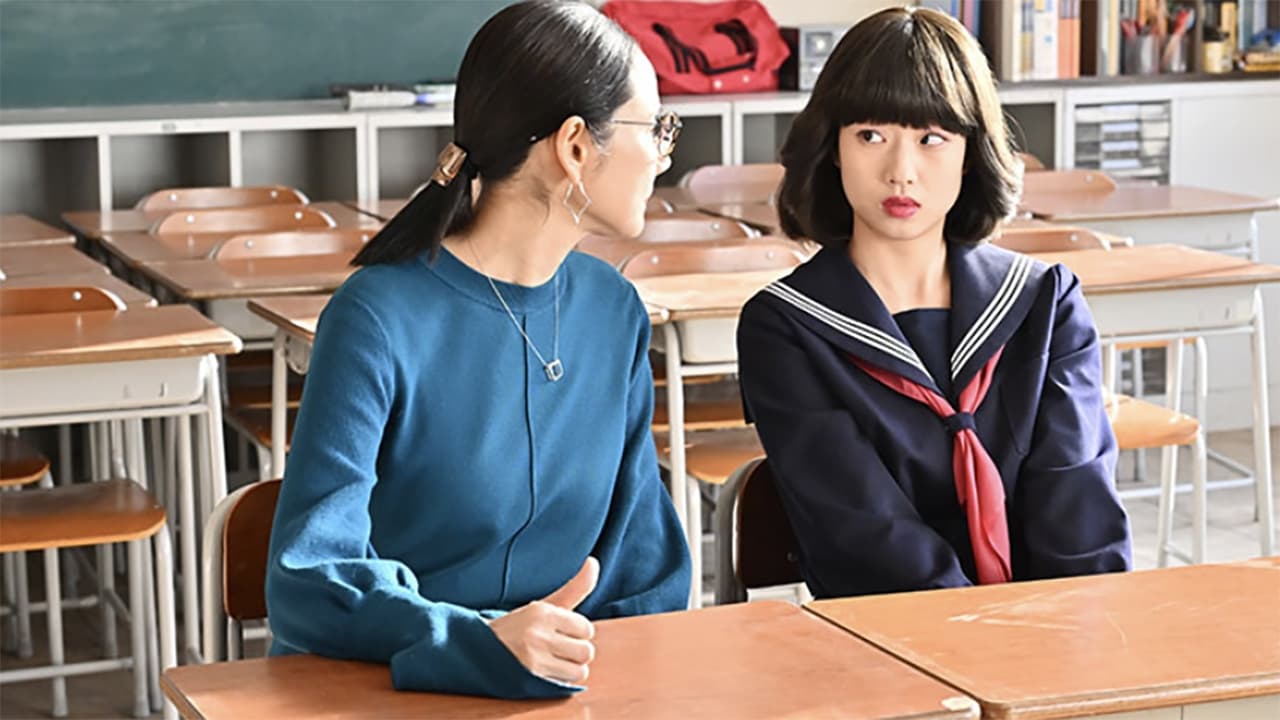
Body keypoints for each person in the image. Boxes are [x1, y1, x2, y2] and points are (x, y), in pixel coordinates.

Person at [265, 0, 690, 699]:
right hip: (385, 685)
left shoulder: (613, 309)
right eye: (656, 129)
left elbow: (643, 564)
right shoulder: (376, 316)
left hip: (557, 686)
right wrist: (473, 641)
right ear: (575, 146)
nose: (665, 155)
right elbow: (309, 578)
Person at [736, 7, 1131, 599]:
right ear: (834, 147)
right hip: (886, 636)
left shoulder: (1045, 305)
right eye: (871, 136)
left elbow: (1079, 510)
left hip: (1055, 631)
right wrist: (976, 635)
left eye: (931, 139)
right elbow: (863, 533)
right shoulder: (785, 327)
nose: (901, 172)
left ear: (970, 152)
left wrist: (1064, 631)